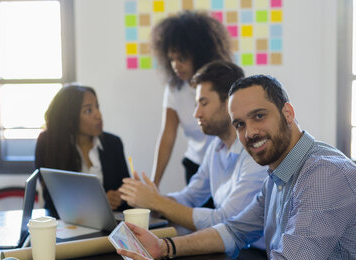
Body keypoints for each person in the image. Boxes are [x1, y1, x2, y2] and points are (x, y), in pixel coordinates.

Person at [117, 75, 356, 260]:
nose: (249, 133)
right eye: (240, 124)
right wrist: (165, 247)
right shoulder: (280, 172)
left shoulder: (325, 174)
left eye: (259, 116)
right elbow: (233, 230)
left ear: (288, 112)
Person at [119, 61, 266, 231]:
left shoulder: (255, 152)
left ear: (229, 104)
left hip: (255, 254)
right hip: (232, 248)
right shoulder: (216, 148)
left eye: (203, 103)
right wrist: (151, 199)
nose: (196, 113)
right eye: (197, 105)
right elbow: (189, 197)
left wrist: (157, 202)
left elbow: (227, 222)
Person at [150, 11, 232, 188]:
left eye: (182, 58)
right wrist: (154, 184)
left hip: (226, 164)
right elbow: (167, 135)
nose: (175, 66)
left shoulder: (226, 82)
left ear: (201, 54)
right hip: (195, 165)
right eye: (171, 59)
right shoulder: (174, 88)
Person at [35, 84, 130, 217]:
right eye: (88, 111)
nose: (98, 115)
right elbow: (52, 200)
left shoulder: (113, 143)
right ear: (69, 119)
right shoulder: (48, 143)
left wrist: (121, 197)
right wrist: (98, 204)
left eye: (97, 107)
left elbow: (126, 193)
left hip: (109, 226)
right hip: (66, 227)